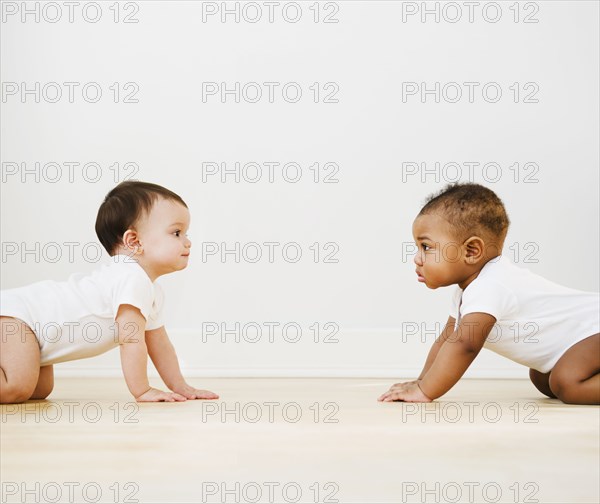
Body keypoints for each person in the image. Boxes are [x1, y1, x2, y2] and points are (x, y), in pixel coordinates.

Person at [378, 183, 599, 405]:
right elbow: (446, 341)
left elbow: (465, 345)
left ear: (471, 251)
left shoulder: (491, 286)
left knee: (567, 383)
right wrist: (420, 382)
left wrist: (426, 391)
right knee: (544, 379)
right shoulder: (468, 291)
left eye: (426, 247)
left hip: (594, 326)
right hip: (583, 339)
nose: (417, 258)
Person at [0, 180, 219, 404]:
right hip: (19, 317)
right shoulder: (131, 278)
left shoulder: (150, 289)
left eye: (186, 233)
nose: (188, 242)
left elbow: (160, 345)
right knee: (16, 386)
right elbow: (131, 340)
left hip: (34, 332)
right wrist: (142, 390)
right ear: (134, 241)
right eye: (176, 233)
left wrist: (181, 386)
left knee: (39, 390)